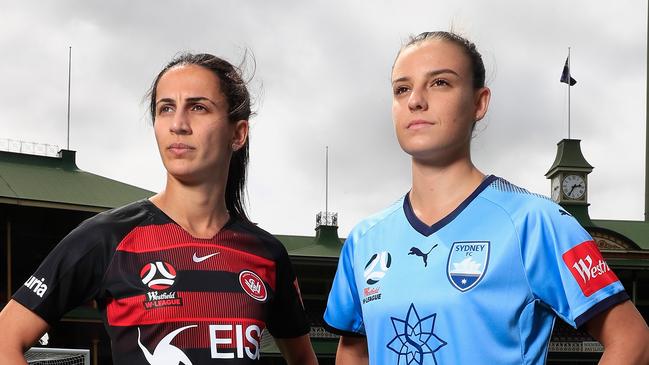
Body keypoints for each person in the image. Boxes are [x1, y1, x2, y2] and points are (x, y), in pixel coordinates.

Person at [324, 31, 649, 364]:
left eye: (439, 83)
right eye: (402, 88)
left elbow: (632, 339)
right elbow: (353, 350)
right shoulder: (365, 239)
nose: (415, 100)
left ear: (479, 103)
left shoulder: (533, 222)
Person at [0, 53, 318, 365]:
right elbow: (4, 341)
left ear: (238, 133)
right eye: (166, 108)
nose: (178, 124)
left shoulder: (267, 254)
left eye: (198, 107)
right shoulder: (106, 237)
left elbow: (303, 358)